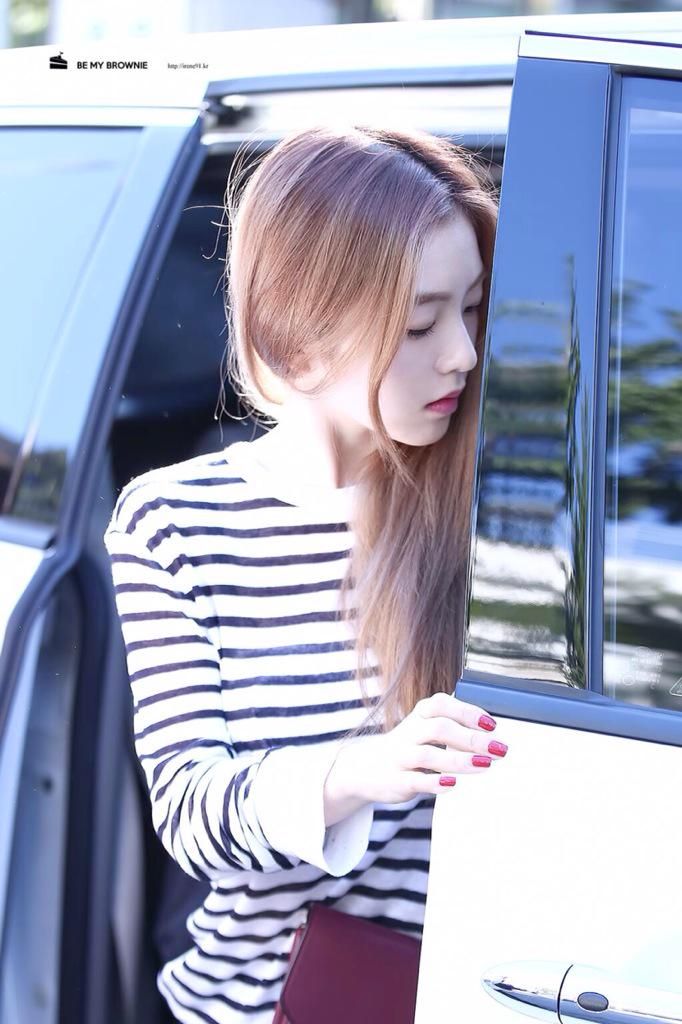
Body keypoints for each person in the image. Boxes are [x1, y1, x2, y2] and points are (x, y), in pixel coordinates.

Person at [103, 123, 508, 1024]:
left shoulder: (494, 509)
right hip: (255, 1007)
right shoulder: (176, 522)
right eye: (419, 322)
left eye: (472, 308)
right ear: (298, 342)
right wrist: (366, 770)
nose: (462, 354)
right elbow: (194, 813)